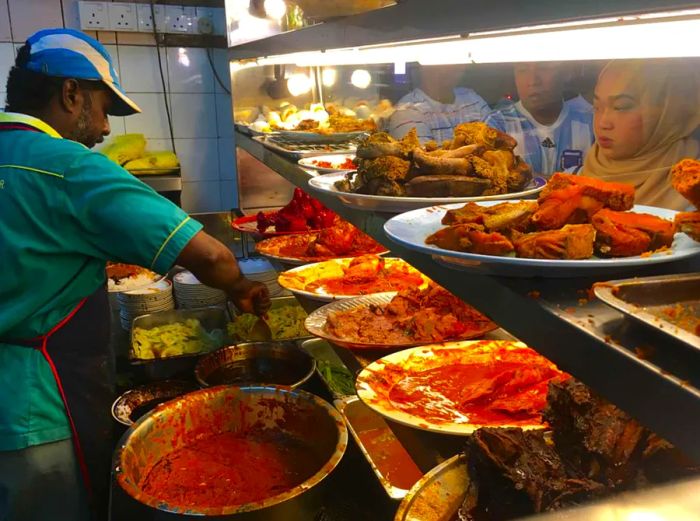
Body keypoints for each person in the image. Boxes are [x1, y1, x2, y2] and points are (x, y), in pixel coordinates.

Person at [0, 29, 270, 520]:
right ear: (70, 93)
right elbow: (211, 257)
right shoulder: (67, 166)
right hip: (34, 410)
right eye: (104, 107)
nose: (104, 128)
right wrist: (242, 287)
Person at [581, 58, 700, 210]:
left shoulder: (693, 184)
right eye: (597, 107)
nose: (602, 123)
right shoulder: (583, 172)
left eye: (620, 107)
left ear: (667, 113)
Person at [485, 62, 595, 177]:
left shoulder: (590, 124)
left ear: (564, 74)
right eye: (522, 70)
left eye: (544, 68)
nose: (533, 81)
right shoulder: (496, 125)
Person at [387, 64, 490, 144]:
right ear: (424, 68)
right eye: (442, 67)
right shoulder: (407, 111)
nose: (449, 70)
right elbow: (423, 164)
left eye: (455, 65)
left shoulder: (471, 97)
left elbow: (497, 142)